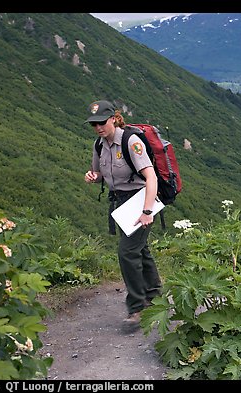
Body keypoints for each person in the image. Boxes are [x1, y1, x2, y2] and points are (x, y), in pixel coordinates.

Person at [83, 100, 162, 327]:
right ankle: (154, 293)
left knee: (127, 253)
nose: (98, 128)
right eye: (94, 124)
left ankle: (137, 307)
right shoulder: (99, 145)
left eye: (102, 123)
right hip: (119, 203)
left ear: (113, 119)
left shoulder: (131, 141)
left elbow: (151, 177)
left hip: (139, 200)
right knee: (139, 249)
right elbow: (99, 173)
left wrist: (147, 211)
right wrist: (93, 177)